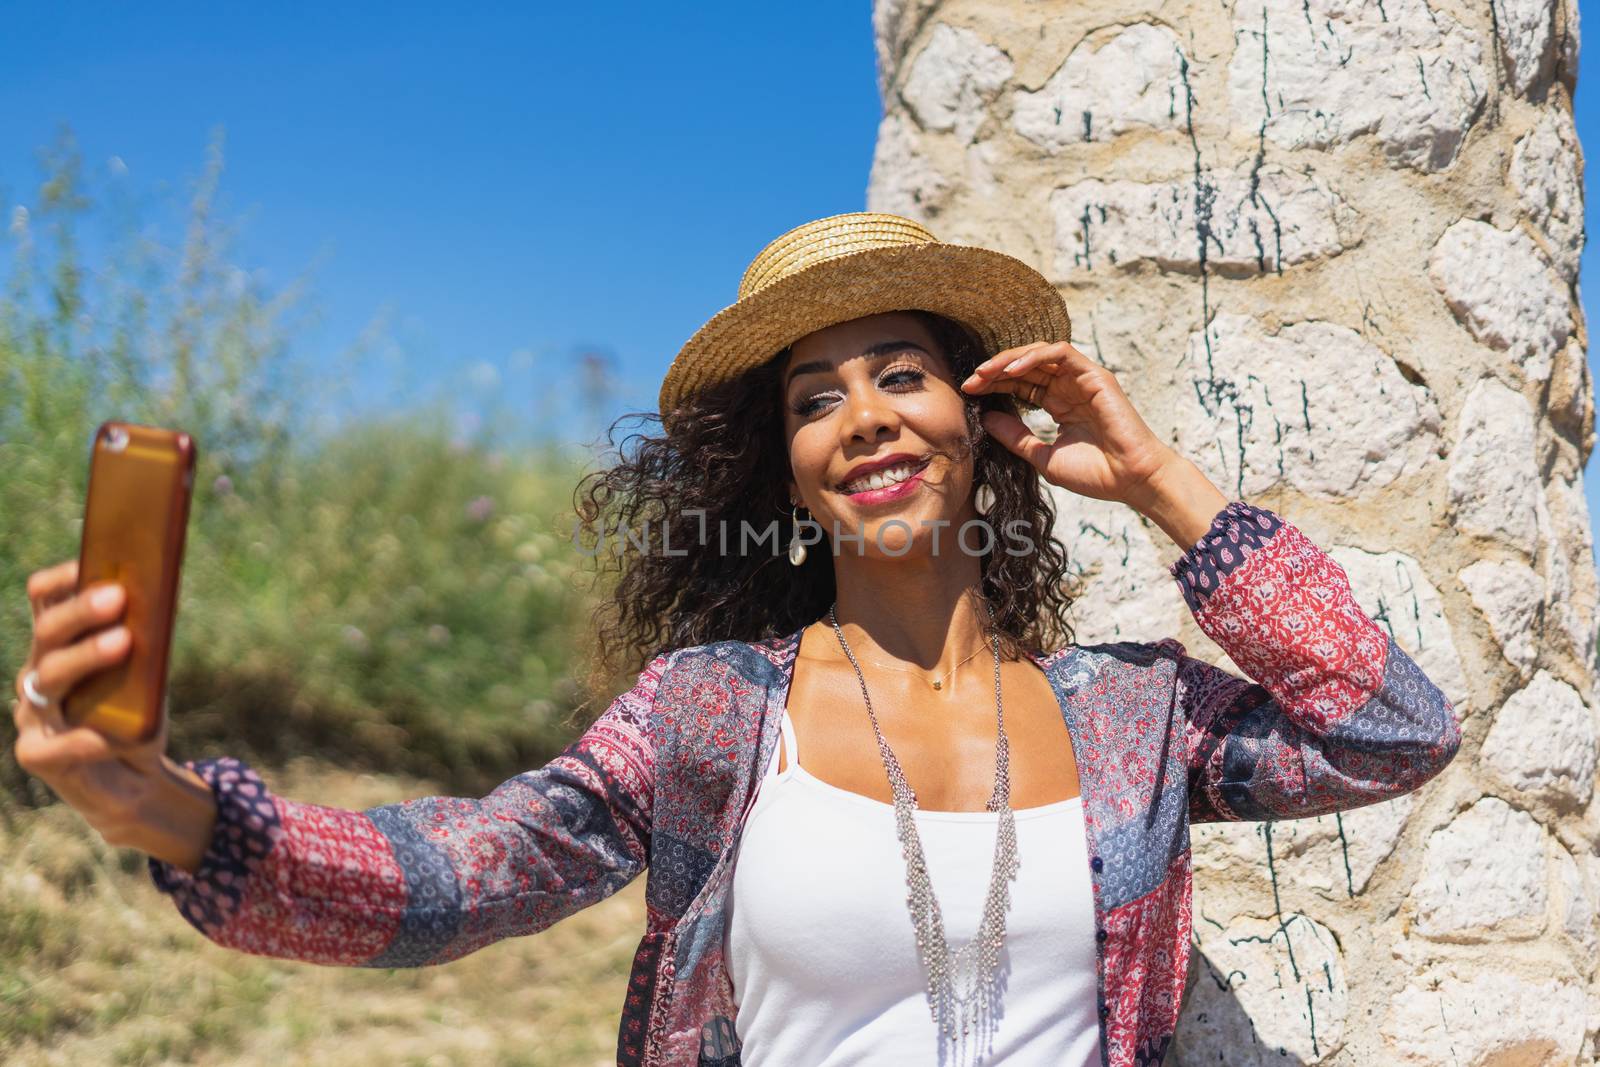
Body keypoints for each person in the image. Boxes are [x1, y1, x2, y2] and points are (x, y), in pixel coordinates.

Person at [11, 212, 1462, 1067]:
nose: (868, 414)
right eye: (815, 398)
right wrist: (180, 816)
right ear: (786, 471)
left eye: (904, 374)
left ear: (985, 425)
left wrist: (1156, 478)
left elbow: (1391, 729)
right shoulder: (710, 716)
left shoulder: (1137, 719)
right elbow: (469, 876)